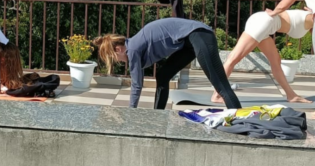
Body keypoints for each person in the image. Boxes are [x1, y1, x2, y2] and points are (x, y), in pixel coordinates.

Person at [94, 17, 241, 110]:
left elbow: (137, 85)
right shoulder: (134, 44)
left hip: (200, 35)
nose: (119, 61)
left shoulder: (132, 50)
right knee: (163, 75)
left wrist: (130, 113)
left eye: (115, 58)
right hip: (188, 43)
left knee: (220, 85)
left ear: (119, 49)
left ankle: (241, 123)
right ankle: (158, 115)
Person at [211, 10, 313, 104]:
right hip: (263, 23)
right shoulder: (311, 17)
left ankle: (291, 95)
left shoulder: (309, 16)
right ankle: (216, 94)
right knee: (233, 58)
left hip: (264, 24)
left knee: (275, 61)